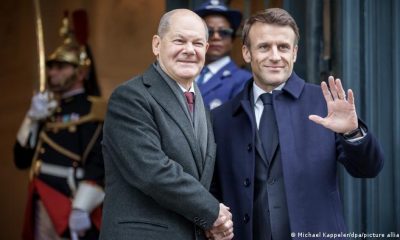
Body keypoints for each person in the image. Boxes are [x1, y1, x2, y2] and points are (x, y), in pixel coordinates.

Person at [211, 8, 384, 240]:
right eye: (264, 47)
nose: (275, 56)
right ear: (247, 52)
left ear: (294, 53)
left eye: (283, 47)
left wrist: (352, 132)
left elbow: (369, 168)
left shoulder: (325, 104)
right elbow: (214, 191)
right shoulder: (221, 117)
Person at [100, 9, 233, 240]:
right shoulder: (131, 97)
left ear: (206, 50)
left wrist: (210, 221)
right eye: (179, 41)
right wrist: (213, 212)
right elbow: (152, 171)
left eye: (197, 43)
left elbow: (201, 177)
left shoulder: (200, 102)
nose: (189, 50)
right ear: (157, 45)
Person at [14, 11, 106, 240]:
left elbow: (100, 163)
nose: (53, 73)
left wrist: (81, 207)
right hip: (41, 199)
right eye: (51, 67)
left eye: (61, 67)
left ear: (81, 72)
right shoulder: (47, 110)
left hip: (71, 200)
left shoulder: (94, 109)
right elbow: (21, 159)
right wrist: (32, 118)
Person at [194, 0, 252, 109]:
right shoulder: (184, 72)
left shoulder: (244, 80)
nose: (216, 37)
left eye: (224, 32)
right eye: (209, 32)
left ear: (232, 40)